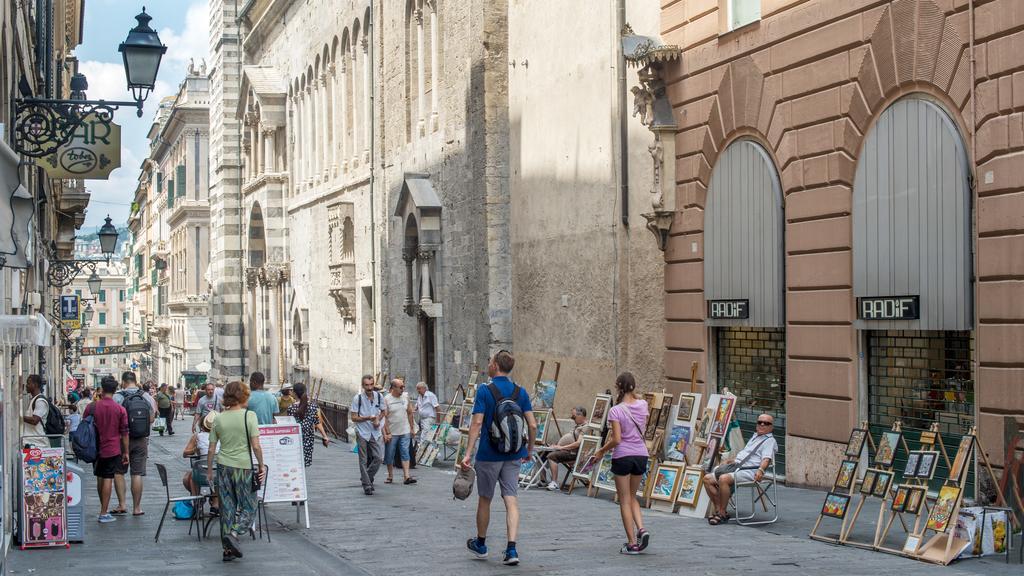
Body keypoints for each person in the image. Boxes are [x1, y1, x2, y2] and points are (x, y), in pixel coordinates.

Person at [462, 350, 537, 566]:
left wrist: (468, 453)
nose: (488, 363)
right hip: (514, 453)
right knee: (511, 499)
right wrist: (529, 450)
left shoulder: (485, 391)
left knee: (485, 498)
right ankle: (511, 549)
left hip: (489, 453)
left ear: (495, 365)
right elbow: (532, 424)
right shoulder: (520, 392)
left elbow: (477, 423)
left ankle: (482, 544)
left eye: (490, 361)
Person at [206, 381, 266, 562]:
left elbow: (211, 448)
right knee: (249, 506)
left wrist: (210, 470)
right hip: (243, 467)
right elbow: (255, 446)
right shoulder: (249, 416)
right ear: (243, 396)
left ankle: (227, 550)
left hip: (223, 467)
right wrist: (261, 465)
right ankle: (234, 533)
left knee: (227, 509)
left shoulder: (218, 418)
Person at [592, 372, 650, 555]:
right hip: (641, 454)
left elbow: (617, 439)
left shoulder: (615, 410)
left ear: (618, 387)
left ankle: (632, 543)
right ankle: (642, 529)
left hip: (623, 456)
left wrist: (601, 450)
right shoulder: (643, 405)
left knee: (624, 500)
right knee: (633, 497)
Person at [702, 413, 777, 526]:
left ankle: (721, 513)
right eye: (759, 422)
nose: (762, 425)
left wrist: (760, 470)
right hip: (737, 467)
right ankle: (720, 510)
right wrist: (731, 460)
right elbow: (746, 455)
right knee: (707, 479)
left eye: (766, 423)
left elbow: (766, 459)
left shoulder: (769, 441)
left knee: (724, 478)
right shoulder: (755, 436)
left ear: (771, 427)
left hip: (750, 471)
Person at [86, 376, 129, 523]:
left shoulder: (92, 407)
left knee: (100, 476)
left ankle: (102, 506)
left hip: (95, 448)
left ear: (102, 389)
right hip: (112, 448)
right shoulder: (120, 409)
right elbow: (124, 433)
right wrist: (126, 452)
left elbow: (84, 426)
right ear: (115, 390)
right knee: (108, 478)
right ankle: (103, 512)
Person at [113, 371, 156, 516]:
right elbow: (151, 418)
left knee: (119, 472)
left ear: (123, 382)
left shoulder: (117, 397)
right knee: (137, 473)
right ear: (135, 381)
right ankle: (137, 508)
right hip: (141, 440)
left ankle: (122, 504)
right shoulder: (146, 396)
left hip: (120, 440)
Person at [350, 375, 384, 495]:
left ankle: (366, 477)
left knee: (379, 458)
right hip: (362, 432)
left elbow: (384, 411)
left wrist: (378, 419)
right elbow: (353, 417)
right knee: (363, 460)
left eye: (371, 385)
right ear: (363, 386)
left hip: (375, 432)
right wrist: (367, 418)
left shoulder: (379, 396)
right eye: (367, 385)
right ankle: (367, 485)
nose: (369, 388)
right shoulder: (357, 399)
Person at [542, 406, 588, 491]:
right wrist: (556, 446)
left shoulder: (585, 427)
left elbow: (578, 443)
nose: (572, 418)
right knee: (542, 453)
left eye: (574, 417)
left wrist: (561, 447)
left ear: (581, 415)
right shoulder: (578, 426)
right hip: (567, 450)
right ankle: (543, 480)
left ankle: (554, 482)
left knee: (552, 456)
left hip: (573, 453)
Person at [383, 379, 416, 485]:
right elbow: (385, 417)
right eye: (400, 387)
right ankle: (390, 475)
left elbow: (410, 413)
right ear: (393, 388)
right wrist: (387, 432)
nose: (403, 389)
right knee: (390, 454)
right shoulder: (387, 399)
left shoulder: (405, 396)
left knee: (405, 452)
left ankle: (407, 476)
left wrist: (411, 428)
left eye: (403, 387)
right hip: (392, 431)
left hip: (404, 430)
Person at [287, 382, 329, 467]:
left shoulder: (291, 408)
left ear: (295, 393)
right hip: (308, 439)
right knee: (304, 464)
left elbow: (289, 425)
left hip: (295, 439)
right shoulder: (313, 407)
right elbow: (317, 422)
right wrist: (325, 436)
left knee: (295, 462)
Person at [183, 411, 217, 504]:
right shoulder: (222, 436)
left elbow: (185, 453)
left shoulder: (197, 437)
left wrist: (195, 449)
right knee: (218, 474)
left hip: (201, 473)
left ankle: (197, 501)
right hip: (218, 472)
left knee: (191, 477)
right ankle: (215, 503)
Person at [21, 375, 49, 449]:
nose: (26, 386)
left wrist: (19, 417)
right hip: (31, 443)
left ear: (35, 385)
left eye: (28, 383)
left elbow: (34, 420)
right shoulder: (33, 399)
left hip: (38, 444)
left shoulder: (40, 401)